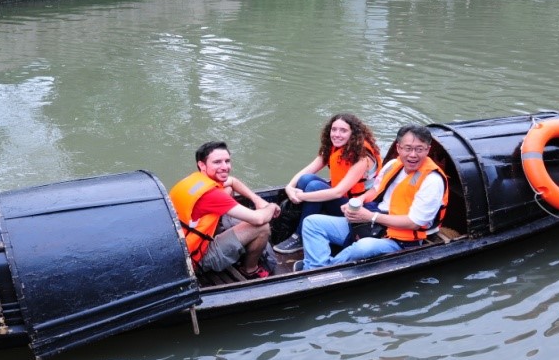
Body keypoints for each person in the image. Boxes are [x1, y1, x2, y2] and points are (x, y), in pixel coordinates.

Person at [297, 125, 448, 270]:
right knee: (312, 223)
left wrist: (370, 216)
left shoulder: (432, 181)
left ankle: (319, 270)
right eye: (408, 148)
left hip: (401, 238)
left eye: (419, 149)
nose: (413, 155)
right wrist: (359, 201)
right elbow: (376, 189)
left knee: (364, 247)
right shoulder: (393, 165)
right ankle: (317, 266)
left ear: (427, 150)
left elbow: (414, 223)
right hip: (375, 222)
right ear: (398, 148)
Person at [169, 141, 281, 279]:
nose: (225, 167)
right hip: (197, 258)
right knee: (262, 227)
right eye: (217, 162)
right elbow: (259, 219)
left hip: (182, 247)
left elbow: (232, 181)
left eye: (227, 161)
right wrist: (271, 206)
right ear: (202, 165)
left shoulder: (195, 180)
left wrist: (256, 199)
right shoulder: (211, 195)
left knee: (227, 189)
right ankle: (250, 269)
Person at [274, 113, 382, 254]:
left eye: (343, 131)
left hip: (354, 207)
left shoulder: (362, 158)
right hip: (339, 199)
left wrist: (302, 196)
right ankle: (303, 219)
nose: (337, 134)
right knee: (305, 179)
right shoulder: (334, 147)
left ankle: (300, 236)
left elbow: (337, 192)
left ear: (353, 134)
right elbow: (308, 170)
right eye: (334, 129)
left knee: (314, 187)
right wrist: (290, 187)